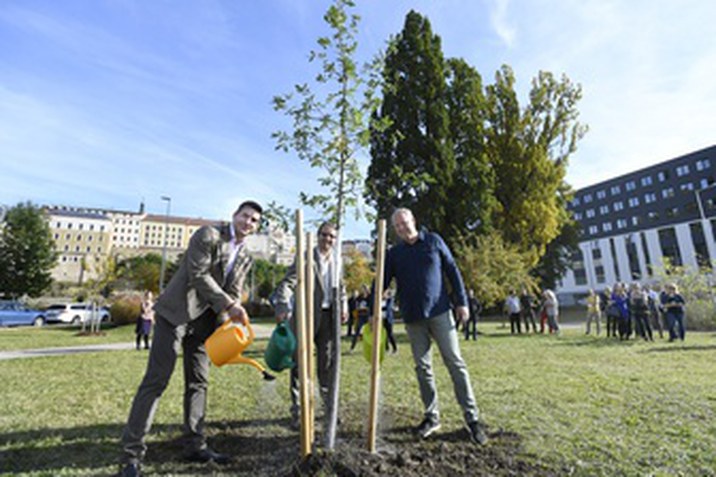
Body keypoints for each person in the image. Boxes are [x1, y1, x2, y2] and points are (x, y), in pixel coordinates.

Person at [118, 201, 262, 477]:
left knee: (199, 382)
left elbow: (233, 290)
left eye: (254, 220)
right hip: (176, 313)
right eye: (245, 216)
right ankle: (131, 457)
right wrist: (229, 305)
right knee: (156, 380)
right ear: (234, 216)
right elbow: (198, 275)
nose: (248, 222)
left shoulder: (246, 257)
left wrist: (231, 322)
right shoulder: (208, 235)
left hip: (205, 323)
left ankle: (195, 445)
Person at [380, 208, 487, 445]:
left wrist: (462, 302)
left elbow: (452, 270)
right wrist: (371, 307)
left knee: (455, 363)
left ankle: (473, 419)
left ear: (413, 221)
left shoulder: (434, 241)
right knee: (422, 368)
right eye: (397, 226)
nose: (402, 228)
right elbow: (381, 282)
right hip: (413, 318)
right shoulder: (394, 254)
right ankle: (432, 416)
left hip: (440, 313)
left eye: (404, 223)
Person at [272, 222, 347, 429]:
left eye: (331, 236)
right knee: (299, 365)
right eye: (324, 235)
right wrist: (282, 305)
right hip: (305, 316)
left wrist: (344, 306)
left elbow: (341, 287)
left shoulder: (338, 259)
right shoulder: (306, 256)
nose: (327, 239)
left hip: (328, 318)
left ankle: (328, 410)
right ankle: (298, 411)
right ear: (317, 236)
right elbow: (288, 282)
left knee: (326, 364)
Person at [349, 286, 371, 351]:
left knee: (370, 332)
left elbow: (371, 307)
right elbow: (356, 306)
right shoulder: (359, 298)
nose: (362, 291)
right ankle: (352, 347)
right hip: (361, 316)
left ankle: (371, 347)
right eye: (362, 289)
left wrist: (367, 309)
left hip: (368, 317)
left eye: (364, 289)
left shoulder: (369, 297)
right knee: (357, 332)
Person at [382, 288, 398, 353]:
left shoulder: (390, 299)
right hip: (382, 319)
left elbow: (388, 307)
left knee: (390, 334)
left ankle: (395, 348)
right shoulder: (381, 300)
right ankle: (386, 348)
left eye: (384, 293)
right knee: (384, 334)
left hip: (388, 319)